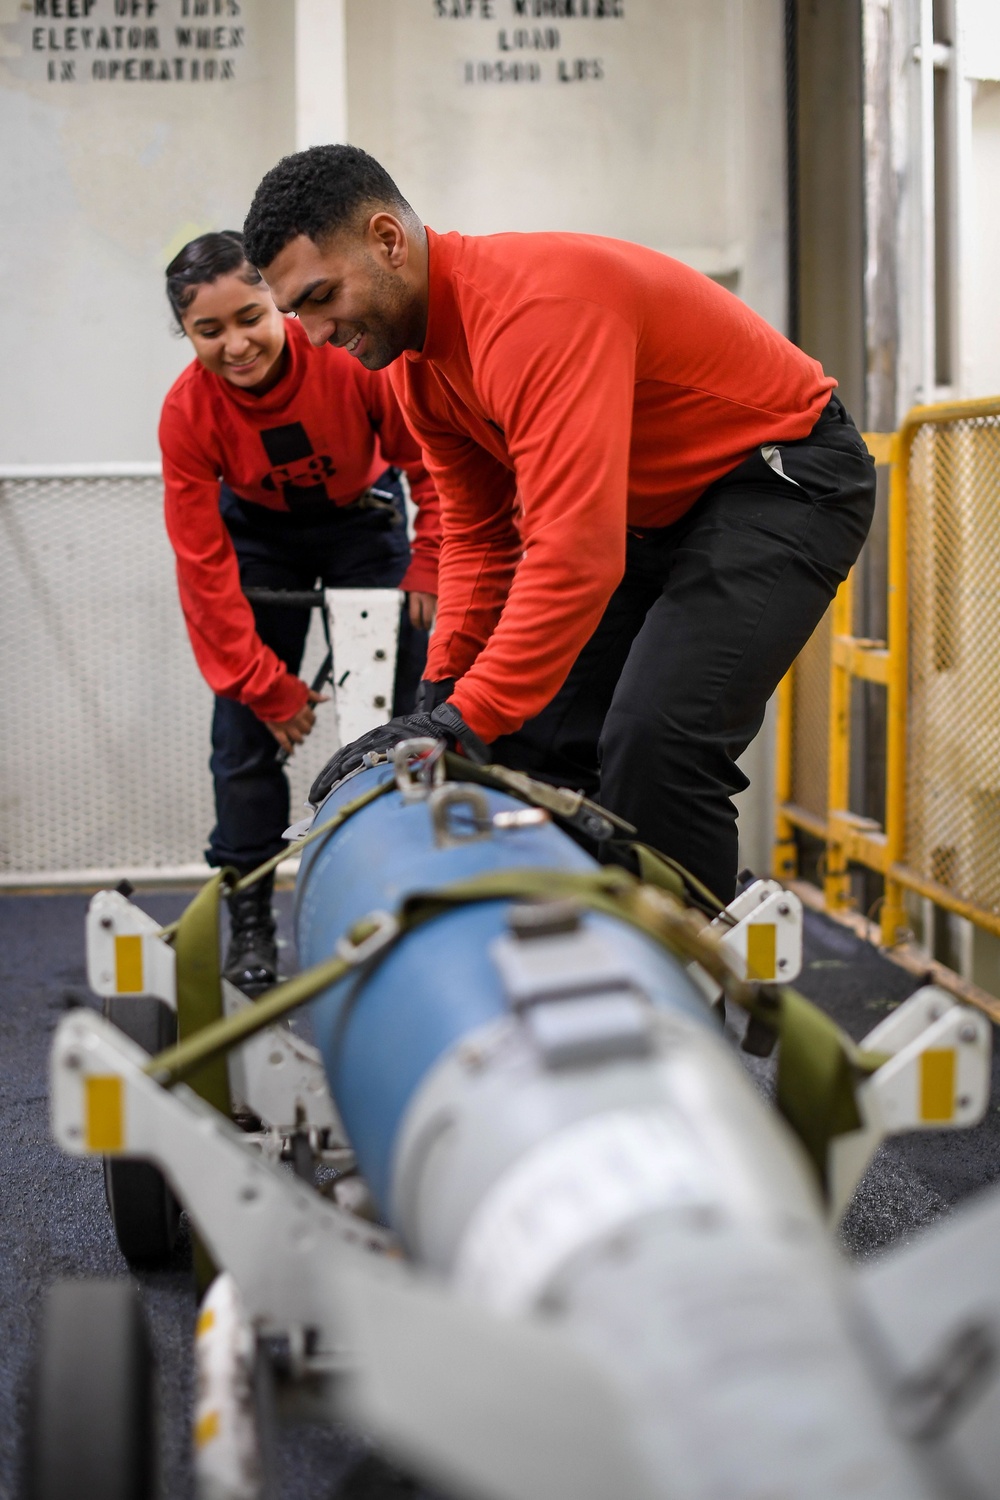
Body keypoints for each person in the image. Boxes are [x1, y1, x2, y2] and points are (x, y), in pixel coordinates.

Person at [242, 147, 876, 905]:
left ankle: (702, 988)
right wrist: (439, 698)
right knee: (528, 737)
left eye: (321, 297)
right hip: (656, 512)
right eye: (295, 314)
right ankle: (566, 951)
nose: (312, 335)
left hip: (784, 478)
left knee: (658, 740)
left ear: (387, 241)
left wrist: (463, 717)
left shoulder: (534, 313)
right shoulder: (422, 370)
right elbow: (481, 539)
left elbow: (575, 555)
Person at [159, 230, 440, 991]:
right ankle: (250, 910)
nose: (237, 344)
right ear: (187, 335)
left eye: (250, 316)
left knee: (385, 721)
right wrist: (262, 684)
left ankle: (397, 892)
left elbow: (428, 458)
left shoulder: (346, 360)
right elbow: (203, 569)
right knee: (244, 737)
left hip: (363, 524)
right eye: (208, 330)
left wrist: (431, 556)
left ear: (276, 304)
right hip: (259, 537)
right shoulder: (188, 411)